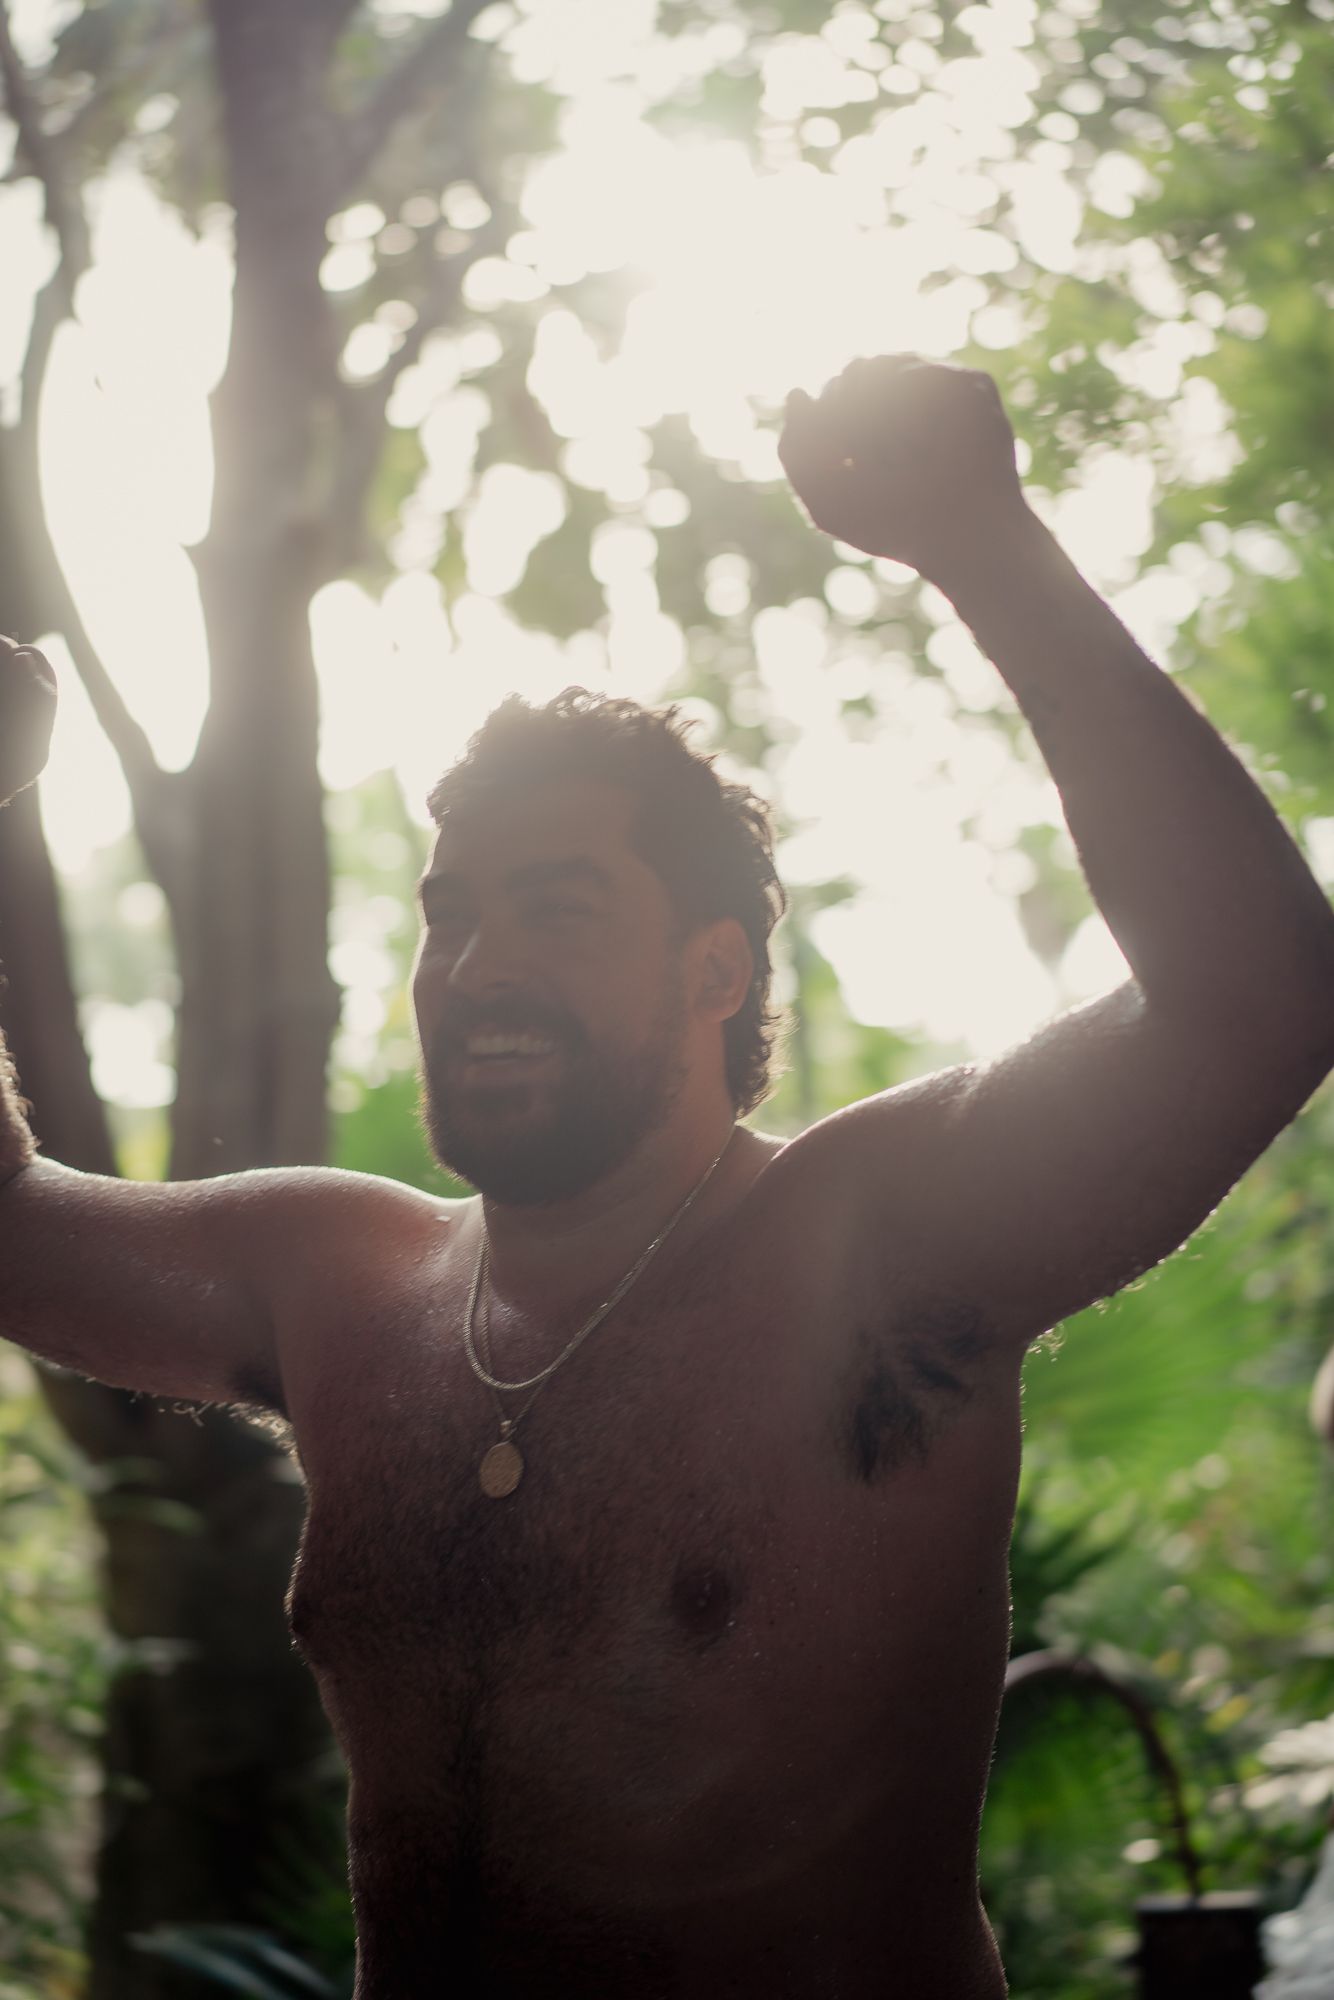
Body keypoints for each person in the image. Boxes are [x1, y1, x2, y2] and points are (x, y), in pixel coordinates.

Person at [3, 356, 1332, 1999]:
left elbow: (1252, 1000)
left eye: (557, 910)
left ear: (714, 973)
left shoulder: (870, 1247)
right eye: (449, 915)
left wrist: (979, 540)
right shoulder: (337, 1279)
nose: (476, 967)